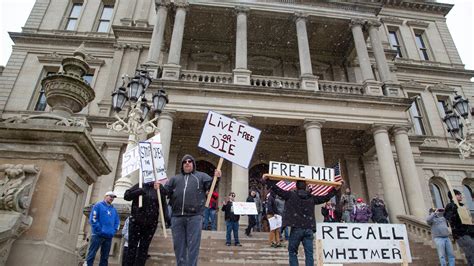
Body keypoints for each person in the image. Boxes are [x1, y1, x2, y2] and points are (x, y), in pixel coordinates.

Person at [263, 176, 341, 266]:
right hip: (309, 228)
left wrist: (267, 180)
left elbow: (277, 190)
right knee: (309, 254)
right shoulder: (311, 197)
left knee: (292, 252)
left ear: (296, 186)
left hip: (296, 227)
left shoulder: (290, 195)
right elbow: (325, 198)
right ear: (305, 187)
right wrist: (335, 190)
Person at [159, 154, 221, 266]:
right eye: (184, 162)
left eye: (190, 161)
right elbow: (165, 192)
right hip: (177, 217)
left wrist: (217, 177)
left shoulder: (201, 176)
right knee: (179, 246)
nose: (187, 163)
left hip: (195, 216)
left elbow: (211, 185)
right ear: (182, 165)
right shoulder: (174, 179)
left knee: (193, 246)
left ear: (193, 164)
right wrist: (158, 187)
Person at [123, 180, 164, 266]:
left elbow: (164, 202)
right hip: (136, 222)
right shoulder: (140, 185)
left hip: (150, 224)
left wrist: (160, 189)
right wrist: (139, 191)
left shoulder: (158, 188)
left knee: (144, 249)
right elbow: (127, 196)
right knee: (132, 248)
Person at [86, 191, 120, 266]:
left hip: (108, 236)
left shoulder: (114, 210)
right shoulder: (98, 206)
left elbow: (117, 222)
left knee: (105, 257)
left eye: (113, 197)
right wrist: (100, 230)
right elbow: (93, 219)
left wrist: (113, 231)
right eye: (110, 196)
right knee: (91, 254)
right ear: (105, 196)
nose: (112, 198)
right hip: (97, 235)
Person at [444, 189, 474, 265]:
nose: (461, 195)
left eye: (460, 194)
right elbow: (447, 217)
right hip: (461, 233)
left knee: (471, 251)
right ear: (453, 196)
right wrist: (454, 209)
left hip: (470, 232)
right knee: (471, 249)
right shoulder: (450, 206)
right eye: (458, 194)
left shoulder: (462, 205)